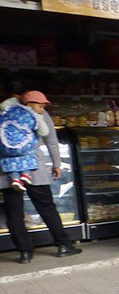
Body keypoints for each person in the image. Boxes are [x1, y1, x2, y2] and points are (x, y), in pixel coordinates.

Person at [0, 90, 82, 264]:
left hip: (8, 169)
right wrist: (56, 163)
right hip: (33, 167)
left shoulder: (4, 112)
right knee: (46, 206)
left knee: (14, 213)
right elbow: (51, 140)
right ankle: (63, 245)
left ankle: (24, 252)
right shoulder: (39, 113)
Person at [0, 91, 48, 191]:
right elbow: (44, 132)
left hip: (6, 148)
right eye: (40, 106)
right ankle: (25, 174)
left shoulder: (8, 110)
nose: (42, 110)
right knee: (30, 154)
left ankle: (15, 179)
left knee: (11, 161)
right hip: (24, 149)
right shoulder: (35, 116)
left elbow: (2, 106)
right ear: (30, 104)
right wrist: (40, 120)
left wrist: (15, 99)